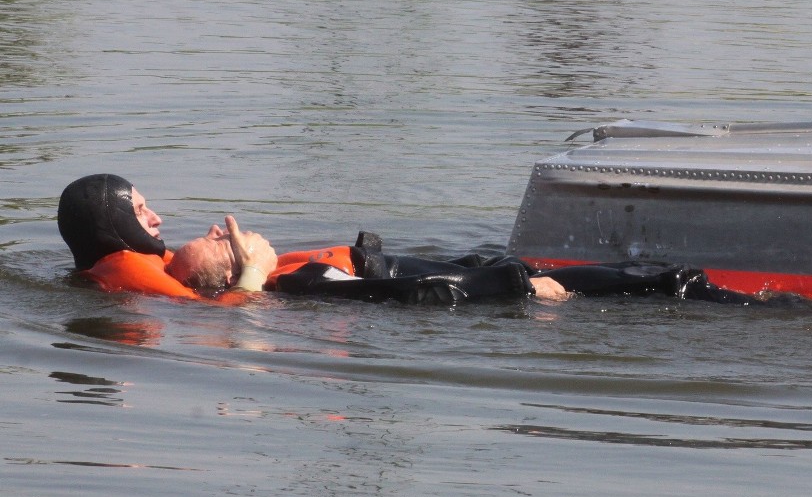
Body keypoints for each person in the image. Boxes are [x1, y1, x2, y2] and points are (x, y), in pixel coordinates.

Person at [166, 227, 753, 306]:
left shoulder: (291, 282)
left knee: (648, 277)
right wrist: (514, 285)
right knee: (662, 283)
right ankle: (774, 307)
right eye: (224, 242)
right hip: (510, 291)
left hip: (488, 270)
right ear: (239, 271)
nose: (227, 229)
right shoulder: (299, 285)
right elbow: (410, 295)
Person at [58, 174, 275, 299]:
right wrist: (254, 269)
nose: (156, 218)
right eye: (139, 211)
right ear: (114, 224)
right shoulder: (123, 269)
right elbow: (226, 312)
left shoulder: (155, 263)